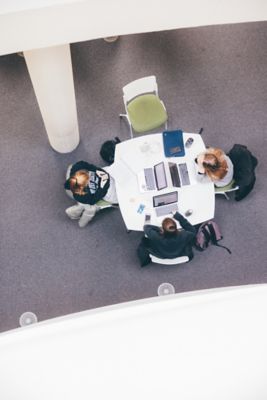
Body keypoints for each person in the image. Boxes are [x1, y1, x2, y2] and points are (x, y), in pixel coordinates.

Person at [64, 161, 118, 227]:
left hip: (106, 176)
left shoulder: (78, 167)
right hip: (104, 191)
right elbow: (93, 200)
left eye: (88, 174)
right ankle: (76, 216)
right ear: (82, 188)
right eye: (88, 180)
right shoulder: (81, 196)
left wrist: (98, 170)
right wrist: (104, 185)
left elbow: (88, 166)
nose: (90, 175)